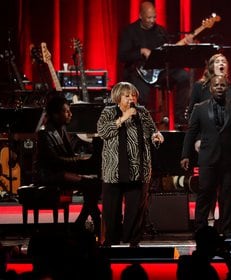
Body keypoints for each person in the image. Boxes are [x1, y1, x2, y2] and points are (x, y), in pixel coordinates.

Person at [187, 53, 231, 237]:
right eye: (217, 61)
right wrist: (191, 147)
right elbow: (192, 124)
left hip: (229, 154)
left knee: (228, 195)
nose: (219, 87)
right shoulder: (200, 96)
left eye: (224, 61)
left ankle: (226, 229)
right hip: (208, 151)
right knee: (205, 192)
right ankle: (201, 229)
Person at [97, 81, 164, 247]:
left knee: (135, 209)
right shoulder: (109, 111)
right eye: (127, 96)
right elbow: (102, 131)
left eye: (133, 95)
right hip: (114, 170)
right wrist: (124, 118)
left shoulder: (142, 112)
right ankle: (111, 242)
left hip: (138, 169)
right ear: (118, 97)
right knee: (111, 210)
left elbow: (152, 132)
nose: (131, 98)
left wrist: (157, 137)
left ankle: (133, 241)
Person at [33, 95, 102, 237]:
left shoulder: (62, 130)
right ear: (55, 114)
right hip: (48, 174)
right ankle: (91, 219)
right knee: (90, 184)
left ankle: (83, 221)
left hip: (61, 171)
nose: (70, 114)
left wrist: (81, 160)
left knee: (95, 183)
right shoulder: (44, 133)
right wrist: (78, 160)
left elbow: (69, 156)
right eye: (66, 111)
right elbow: (54, 160)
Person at [118, 1, 193, 127]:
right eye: (149, 18)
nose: (152, 20)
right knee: (140, 93)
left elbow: (168, 51)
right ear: (140, 16)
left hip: (160, 71)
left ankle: (180, 116)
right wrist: (141, 51)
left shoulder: (161, 31)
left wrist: (184, 44)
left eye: (154, 17)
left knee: (184, 76)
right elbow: (123, 56)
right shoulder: (129, 31)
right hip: (139, 72)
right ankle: (138, 122)